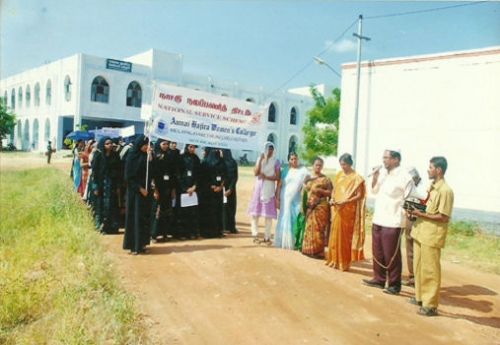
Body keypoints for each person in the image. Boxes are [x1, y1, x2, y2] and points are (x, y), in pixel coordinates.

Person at [363, 149, 414, 295]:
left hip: (393, 221)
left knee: (391, 253)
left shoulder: (405, 177)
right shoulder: (384, 174)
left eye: (387, 158)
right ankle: (379, 279)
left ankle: (394, 284)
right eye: (383, 157)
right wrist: (375, 176)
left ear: (396, 159)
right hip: (379, 218)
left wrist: (405, 216)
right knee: (378, 251)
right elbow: (374, 191)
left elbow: (409, 197)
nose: (384, 160)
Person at [409, 157, 454, 317]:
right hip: (421, 232)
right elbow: (428, 207)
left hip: (432, 235)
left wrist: (420, 213)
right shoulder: (432, 187)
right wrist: (413, 207)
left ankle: (430, 305)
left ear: (439, 170)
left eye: (430, 167)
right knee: (419, 267)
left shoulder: (445, 191)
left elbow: (443, 217)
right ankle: (420, 297)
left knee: (430, 271)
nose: (428, 170)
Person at [326, 153, 366, 270]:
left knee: (344, 237)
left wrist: (346, 201)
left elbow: (360, 195)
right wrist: (332, 199)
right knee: (334, 234)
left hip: (348, 211)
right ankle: (333, 259)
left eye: (344, 165)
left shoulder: (357, 178)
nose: (342, 167)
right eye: (341, 164)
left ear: (349, 164)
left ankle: (343, 262)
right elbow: (334, 190)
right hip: (337, 208)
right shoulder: (339, 175)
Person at [123, 135, 152, 255]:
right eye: (145, 145)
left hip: (145, 192)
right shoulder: (131, 156)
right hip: (135, 193)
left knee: (143, 217)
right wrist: (140, 189)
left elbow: (150, 173)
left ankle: (142, 244)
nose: (146, 147)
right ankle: (134, 245)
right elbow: (128, 177)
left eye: (148, 145)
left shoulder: (146, 157)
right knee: (135, 218)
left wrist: (150, 159)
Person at [247, 142, 280, 244]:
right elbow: (255, 173)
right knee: (255, 214)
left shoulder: (276, 161)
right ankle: (255, 235)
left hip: (269, 189)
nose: (270, 151)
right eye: (268, 149)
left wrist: (266, 177)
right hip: (259, 188)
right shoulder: (259, 159)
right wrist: (261, 160)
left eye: (271, 149)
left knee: (268, 215)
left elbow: (277, 177)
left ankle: (267, 237)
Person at [275, 152, 308, 250]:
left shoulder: (302, 171)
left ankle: (294, 241)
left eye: (295, 159)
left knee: (295, 217)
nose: (294, 161)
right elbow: (280, 185)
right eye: (292, 159)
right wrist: (277, 198)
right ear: (288, 160)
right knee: (284, 217)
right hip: (285, 197)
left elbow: (308, 180)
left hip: (296, 198)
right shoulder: (285, 170)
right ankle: (283, 240)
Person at [402, 167, 428, 287]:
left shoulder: (425, 187)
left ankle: (420, 277)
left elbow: (427, 205)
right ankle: (412, 276)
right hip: (409, 218)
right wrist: (407, 209)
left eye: (413, 179)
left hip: (420, 221)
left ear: (417, 177)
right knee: (409, 248)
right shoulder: (408, 186)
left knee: (419, 249)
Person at [301, 157, 332, 258]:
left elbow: (331, 192)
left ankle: (318, 252)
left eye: (320, 165)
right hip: (310, 206)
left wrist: (321, 192)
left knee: (319, 229)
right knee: (309, 228)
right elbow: (304, 190)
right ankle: (308, 250)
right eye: (316, 165)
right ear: (313, 165)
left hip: (321, 207)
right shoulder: (308, 178)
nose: (318, 167)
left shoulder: (326, 179)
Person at [91, 137, 121, 234]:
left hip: (112, 184)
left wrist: (118, 186)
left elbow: (118, 170)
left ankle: (112, 227)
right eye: (107, 143)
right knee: (101, 206)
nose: (110, 145)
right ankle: (101, 227)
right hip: (101, 184)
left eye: (111, 143)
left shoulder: (115, 155)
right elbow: (94, 172)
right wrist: (95, 186)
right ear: (103, 145)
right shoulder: (98, 155)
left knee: (112, 206)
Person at [151, 139, 178, 242]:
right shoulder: (155, 156)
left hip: (168, 188)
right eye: (164, 144)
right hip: (158, 188)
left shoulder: (170, 156)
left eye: (167, 144)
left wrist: (173, 190)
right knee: (157, 210)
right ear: (159, 144)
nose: (166, 146)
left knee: (167, 211)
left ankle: (165, 233)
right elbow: (152, 175)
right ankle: (154, 234)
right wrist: (155, 190)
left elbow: (173, 174)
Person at [178, 144, 201, 239]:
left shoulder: (196, 159)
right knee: (183, 212)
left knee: (193, 212)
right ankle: (183, 234)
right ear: (187, 147)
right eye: (190, 147)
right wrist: (185, 188)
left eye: (194, 147)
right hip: (183, 190)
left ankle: (193, 232)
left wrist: (194, 186)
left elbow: (199, 175)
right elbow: (178, 175)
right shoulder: (181, 158)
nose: (192, 149)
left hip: (193, 190)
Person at [222, 149, 239, 234]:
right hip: (231, 189)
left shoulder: (222, 162)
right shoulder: (233, 162)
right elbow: (235, 177)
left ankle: (225, 227)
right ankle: (231, 227)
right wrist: (231, 188)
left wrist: (226, 188)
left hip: (224, 188)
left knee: (225, 207)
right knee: (231, 208)